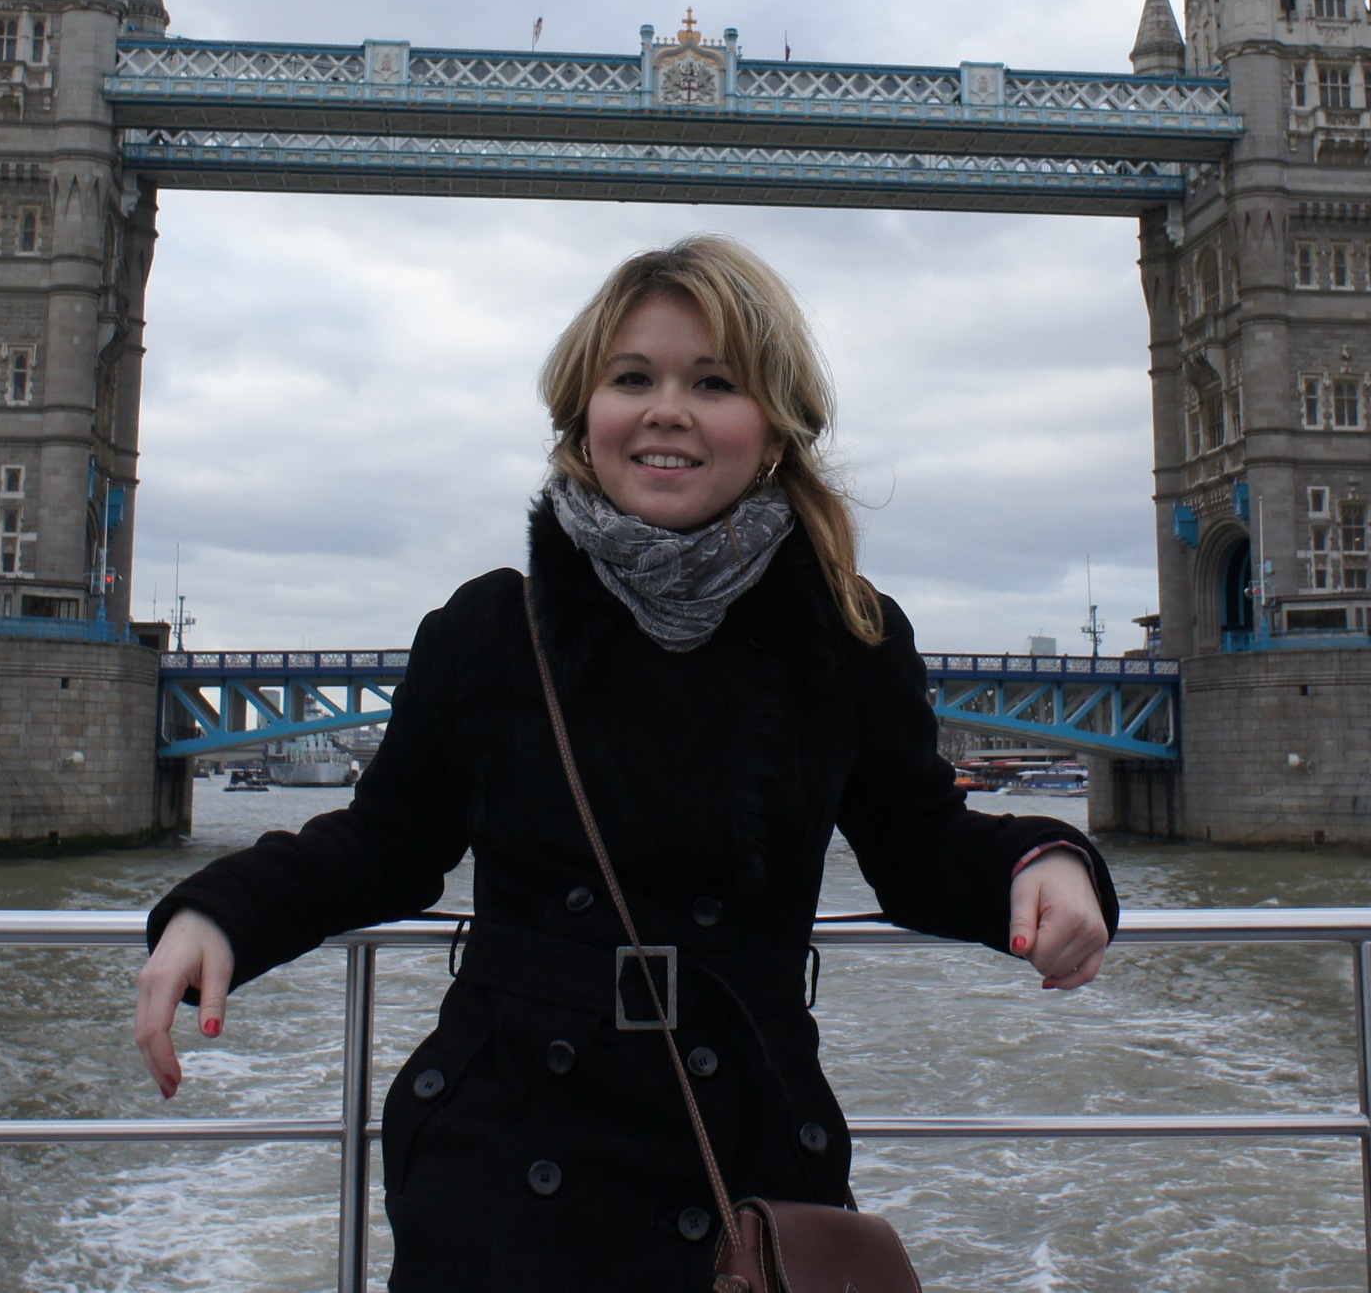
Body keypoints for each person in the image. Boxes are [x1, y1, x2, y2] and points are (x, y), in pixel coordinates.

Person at [135, 235, 1118, 1290]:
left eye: (715, 383)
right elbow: (386, 844)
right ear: (582, 415)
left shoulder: (846, 636)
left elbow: (918, 848)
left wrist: (1046, 862)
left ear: (775, 429)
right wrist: (222, 911)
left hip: (738, 1158)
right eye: (633, 378)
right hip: (506, 1156)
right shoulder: (489, 629)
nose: (668, 411)